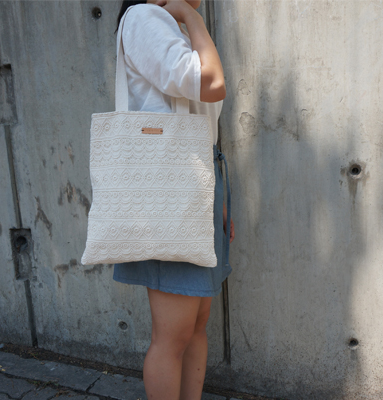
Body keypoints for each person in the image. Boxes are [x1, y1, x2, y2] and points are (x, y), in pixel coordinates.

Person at [113, 0, 235, 399]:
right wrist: (194, 17)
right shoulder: (145, 17)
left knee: (196, 325)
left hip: (196, 184)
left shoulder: (173, 26)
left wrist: (217, 198)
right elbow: (210, 82)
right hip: (170, 192)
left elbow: (202, 118)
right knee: (173, 335)